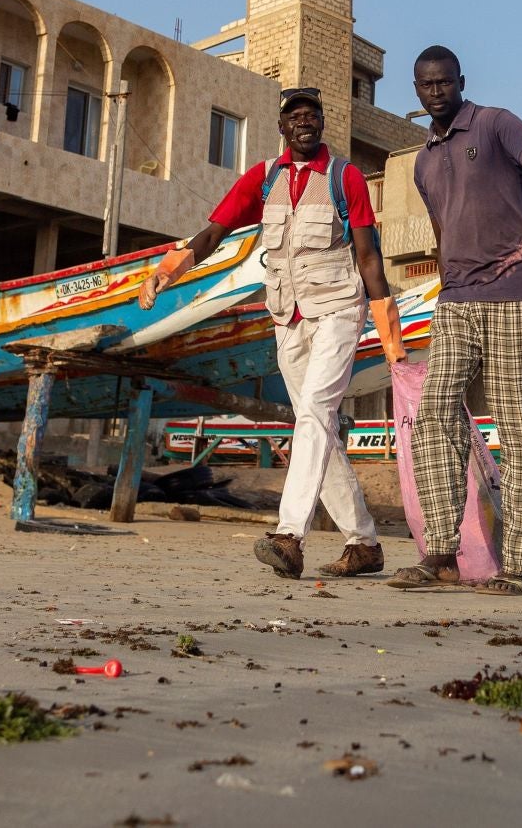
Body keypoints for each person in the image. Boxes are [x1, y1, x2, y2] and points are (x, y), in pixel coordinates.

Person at [138, 87, 406, 580]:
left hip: (339, 309)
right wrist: (167, 270)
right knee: (315, 425)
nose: (304, 122)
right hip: (287, 316)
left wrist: (390, 336)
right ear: (282, 127)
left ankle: (289, 534)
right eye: (294, 116)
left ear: (322, 122)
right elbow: (214, 233)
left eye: (312, 115)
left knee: (317, 413)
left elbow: (368, 256)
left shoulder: (344, 176)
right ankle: (364, 542)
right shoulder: (264, 179)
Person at [387, 45, 522, 596]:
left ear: (460, 81)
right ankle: (442, 552)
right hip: (458, 302)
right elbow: (443, 230)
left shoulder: (495, 124)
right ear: (417, 92)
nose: (437, 91)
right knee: (435, 419)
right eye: (426, 85)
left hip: (519, 294)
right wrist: (445, 287)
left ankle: (519, 567)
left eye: (445, 82)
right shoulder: (423, 161)